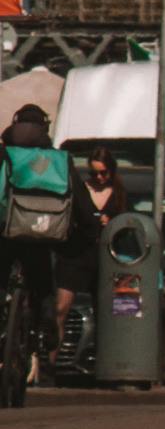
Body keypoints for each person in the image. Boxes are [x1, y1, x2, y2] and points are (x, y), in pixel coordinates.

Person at [1, 103, 97, 370]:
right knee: (42, 284)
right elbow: (81, 203)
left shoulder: (3, 154)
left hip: (4, 235)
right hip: (42, 236)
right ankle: (47, 332)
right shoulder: (59, 160)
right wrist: (89, 234)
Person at [53, 149, 127, 348]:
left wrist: (112, 224)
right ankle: (50, 364)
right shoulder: (80, 190)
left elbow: (127, 228)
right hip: (75, 256)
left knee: (107, 313)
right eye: (94, 173)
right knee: (60, 309)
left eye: (103, 173)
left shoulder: (119, 194)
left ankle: (104, 362)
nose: (99, 178)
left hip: (103, 258)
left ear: (111, 171)